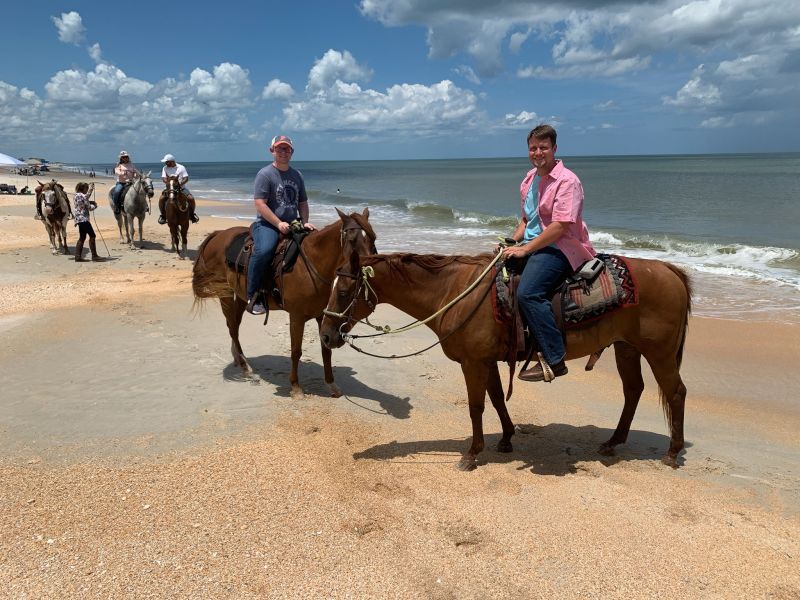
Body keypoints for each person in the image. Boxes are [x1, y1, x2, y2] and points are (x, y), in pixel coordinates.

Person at [502, 124, 596, 382]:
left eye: (544, 147)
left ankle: (555, 358)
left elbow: (559, 226)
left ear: (554, 149)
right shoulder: (529, 179)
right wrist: (511, 241)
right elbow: (526, 219)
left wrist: (526, 250)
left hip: (560, 247)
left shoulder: (568, 181)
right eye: (533, 148)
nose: (538, 152)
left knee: (528, 292)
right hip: (534, 244)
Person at [245, 135, 316, 315]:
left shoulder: (297, 175)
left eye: (287, 149)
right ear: (272, 151)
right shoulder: (265, 174)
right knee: (265, 250)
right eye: (280, 148)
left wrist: (305, 222)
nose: (283, 152)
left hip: (293, 223)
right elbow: (260, 203)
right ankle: (253, 295)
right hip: (268, 224)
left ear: (292, 152)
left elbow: (303, 202)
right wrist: (278, 223)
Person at [157, 153, 199, 225]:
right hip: (169, 188)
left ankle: (192, 215)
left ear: (172, 161)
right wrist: (168, 183)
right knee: (161, 199)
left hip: (181, 188)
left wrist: (179, 184)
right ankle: (163, 216)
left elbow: (186, 178)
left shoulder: (181, 167)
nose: (165, 163)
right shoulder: (165, 168)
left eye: (167, 162)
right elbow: (164, 178)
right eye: (165, 162)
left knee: (191, 198)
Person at [73, 182, 104, 262]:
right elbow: (89, 207)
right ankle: (94, 256)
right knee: (92, 235)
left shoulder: (77, 195)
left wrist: (90, 201)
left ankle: (78, 256)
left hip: (79, 219)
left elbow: (85, 201)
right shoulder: (81, 195)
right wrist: (95, 205)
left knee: (82, 237)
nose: (87, 190)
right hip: (83, 219)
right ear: (83, 188)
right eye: (86, 188)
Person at [111, 150, 137, 214]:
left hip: (131, 182)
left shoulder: (131, 165)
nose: (125, 158)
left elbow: (135, 172)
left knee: (140, 190)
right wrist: (123, 173)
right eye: (123, 157)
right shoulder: (119, 165)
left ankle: (145, 206)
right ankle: (116, 206)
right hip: (121, 183)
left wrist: (135, 175)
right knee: (117, 192)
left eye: (126, 157)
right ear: (121, 158)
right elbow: (117, 172)